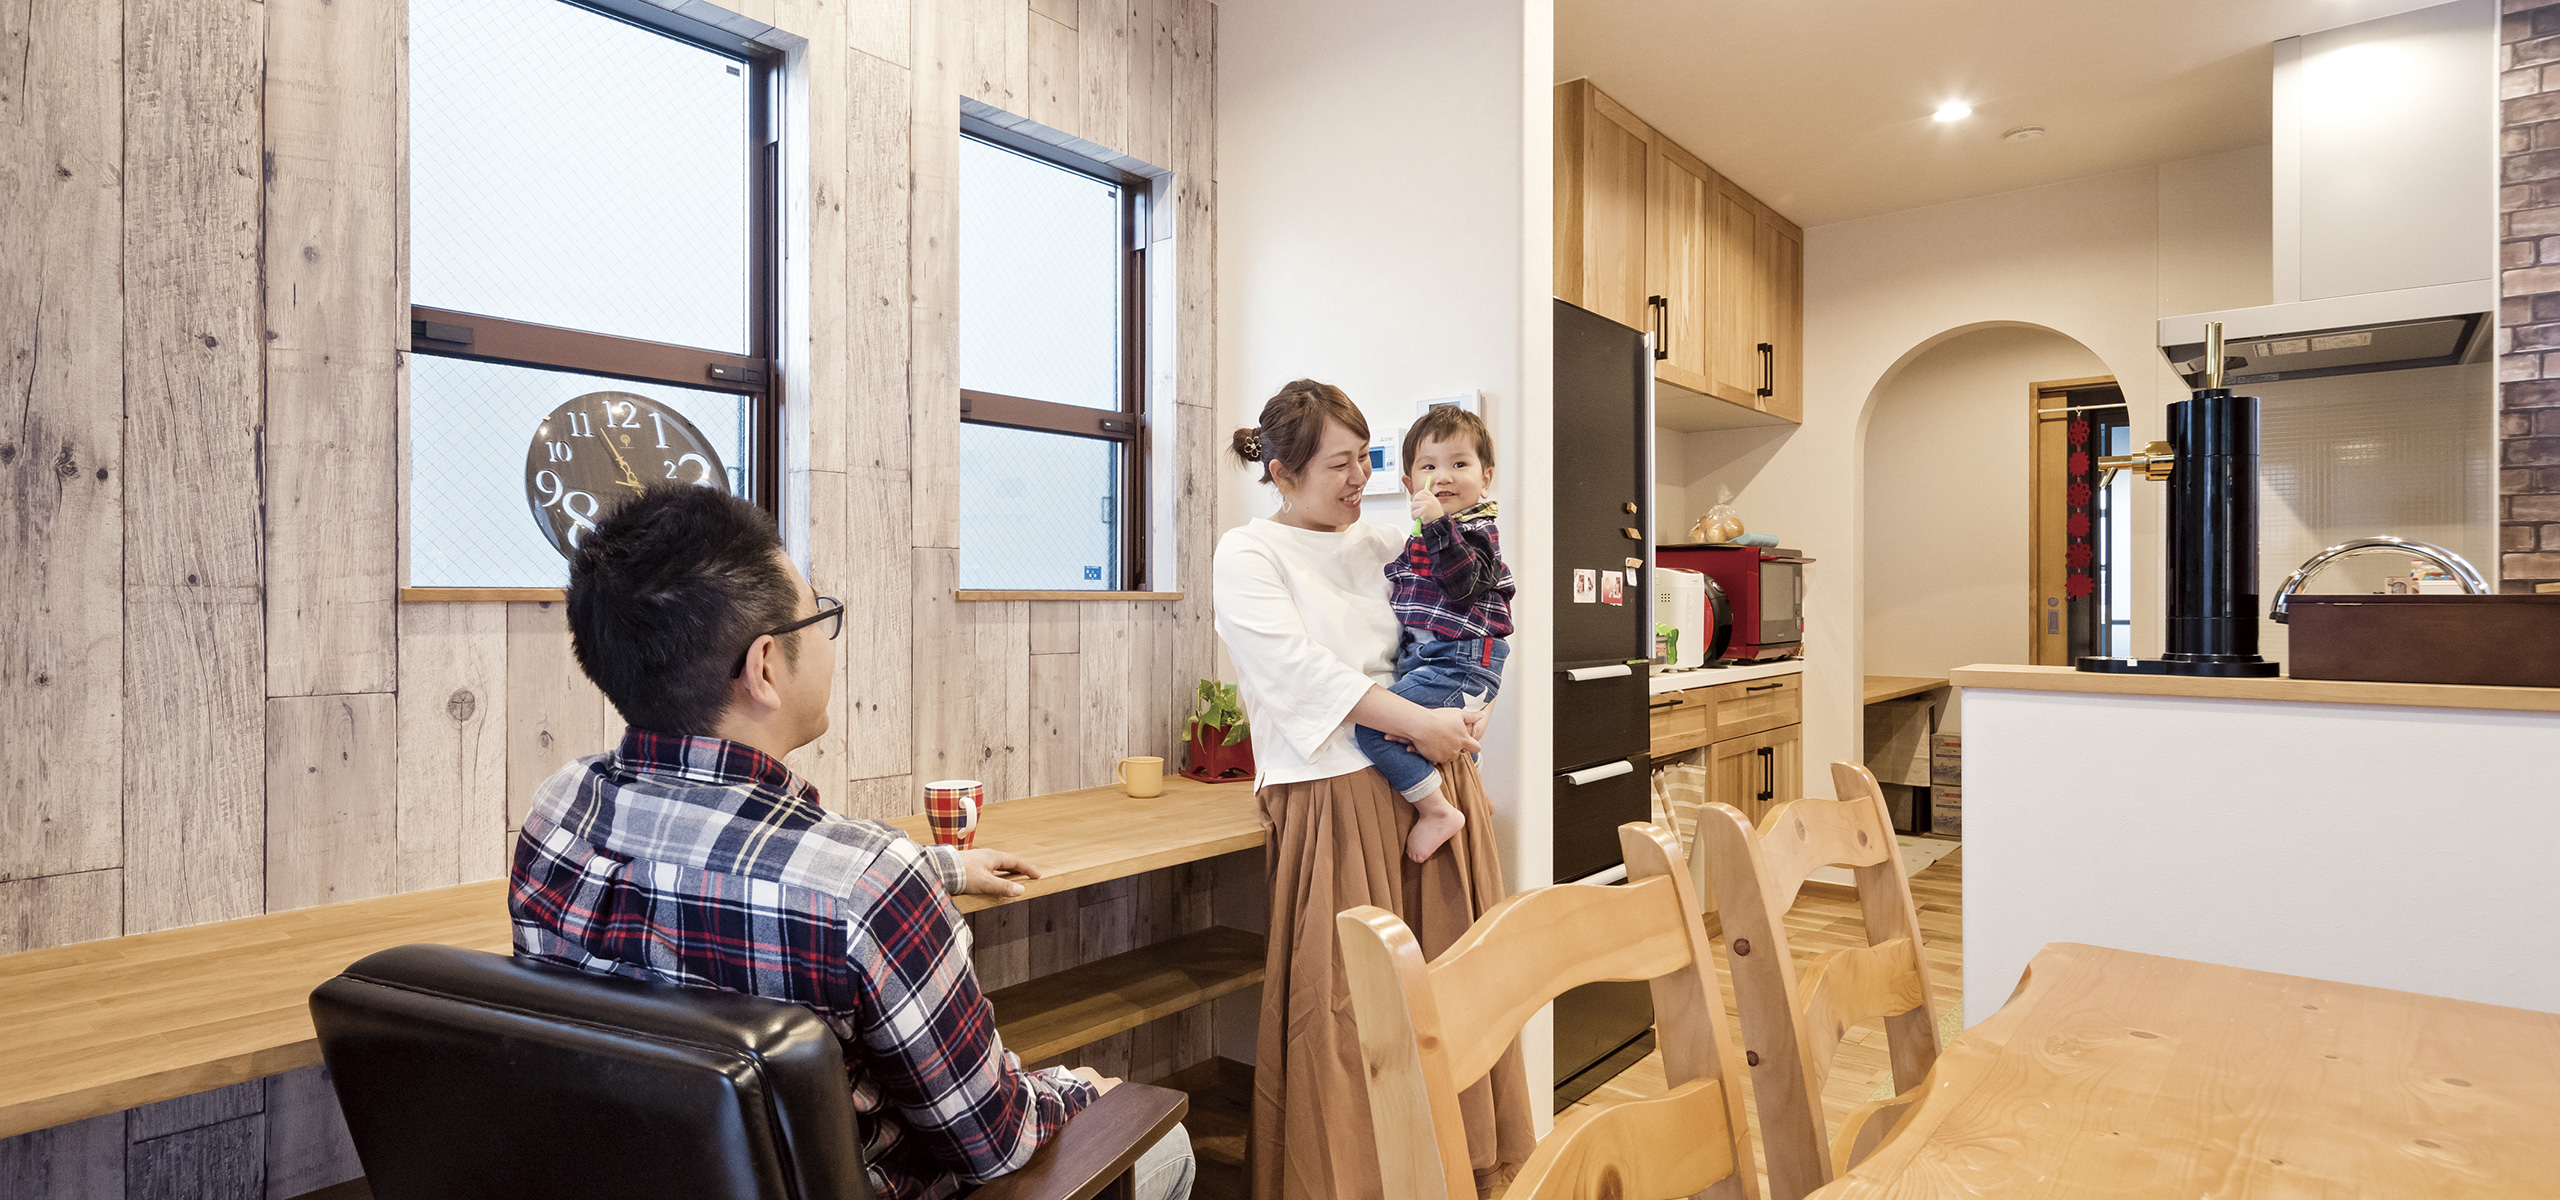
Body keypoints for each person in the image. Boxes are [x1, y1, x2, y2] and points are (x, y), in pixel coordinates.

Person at [507, 483, 1193, 1200]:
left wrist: (942, 867)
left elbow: (714, 866)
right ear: (765, 666)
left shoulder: (560, 812)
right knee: (1160, 1140)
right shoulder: (869, 887)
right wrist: (1082, 1090)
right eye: (819, 616)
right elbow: (997, 1143)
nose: (826, 639)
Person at [1212, 382, 1535, 1200]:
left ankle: (1459, 1177)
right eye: (1339, 465)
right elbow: (1299, 672)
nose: (1361, 480)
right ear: (1283, 472)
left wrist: (1468, 722)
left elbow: (1477, 611)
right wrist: (1423, 729)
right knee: (1350, 1015)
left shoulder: (1376, 541)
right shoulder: (1250, 554)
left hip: (1432, 781)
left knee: (1449, 1000)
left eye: (1365, 459)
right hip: (1334, 798)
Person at [1351, 405, 1515, 863]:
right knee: (1450, 734)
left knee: (1374, 729)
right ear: (1408, 483)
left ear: (1486, 477)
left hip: (1459, 660)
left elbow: (1462, 582)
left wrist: (1440, 523)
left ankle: (1438, 810)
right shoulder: (1421, 534)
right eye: (1428, 466)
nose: (1443, 476)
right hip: (1439, 658)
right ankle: (1474, 794)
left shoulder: (1476, 530)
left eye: (1459, 464)